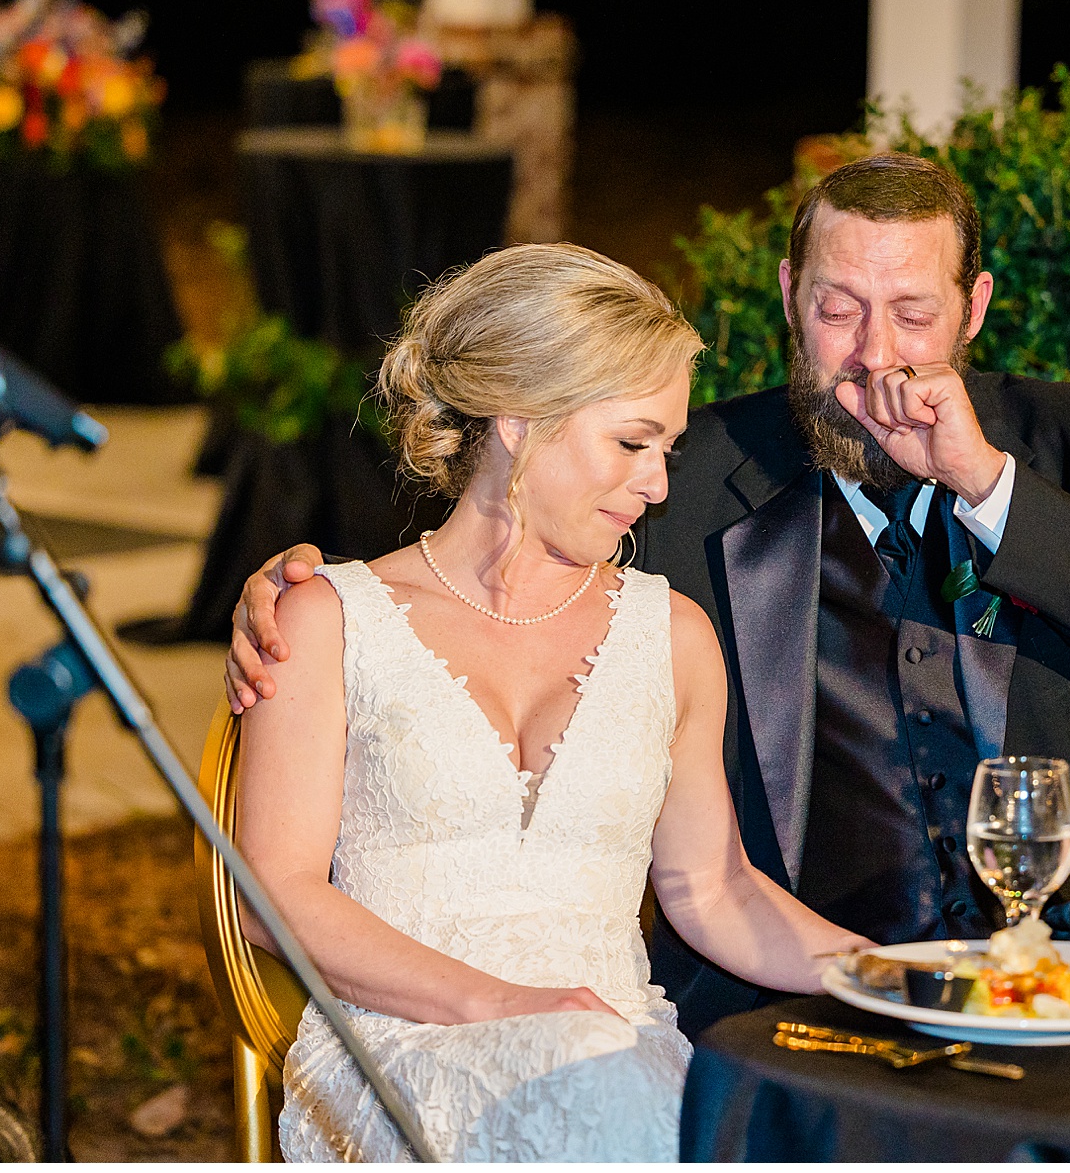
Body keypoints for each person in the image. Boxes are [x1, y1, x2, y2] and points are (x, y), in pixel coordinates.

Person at [229, 153, 1070, 1039]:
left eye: (914, 314)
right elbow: (499, 559)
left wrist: (984, 481)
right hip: (791, 1002)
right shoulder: (689, 474)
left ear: (974, 308)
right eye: (838, 308)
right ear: (790, 295)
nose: (876, 353)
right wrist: (295, 592)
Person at [234, 243, 865, 1162]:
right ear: (519, 419)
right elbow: (270, 894)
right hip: (398, 1054)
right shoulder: (329, 620)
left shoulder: (671, 635)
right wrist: (504, 1005)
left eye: (668, 450)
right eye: (632, 442)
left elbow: (713, 887)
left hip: (619, 1053)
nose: (657, 484)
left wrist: (891, 975)